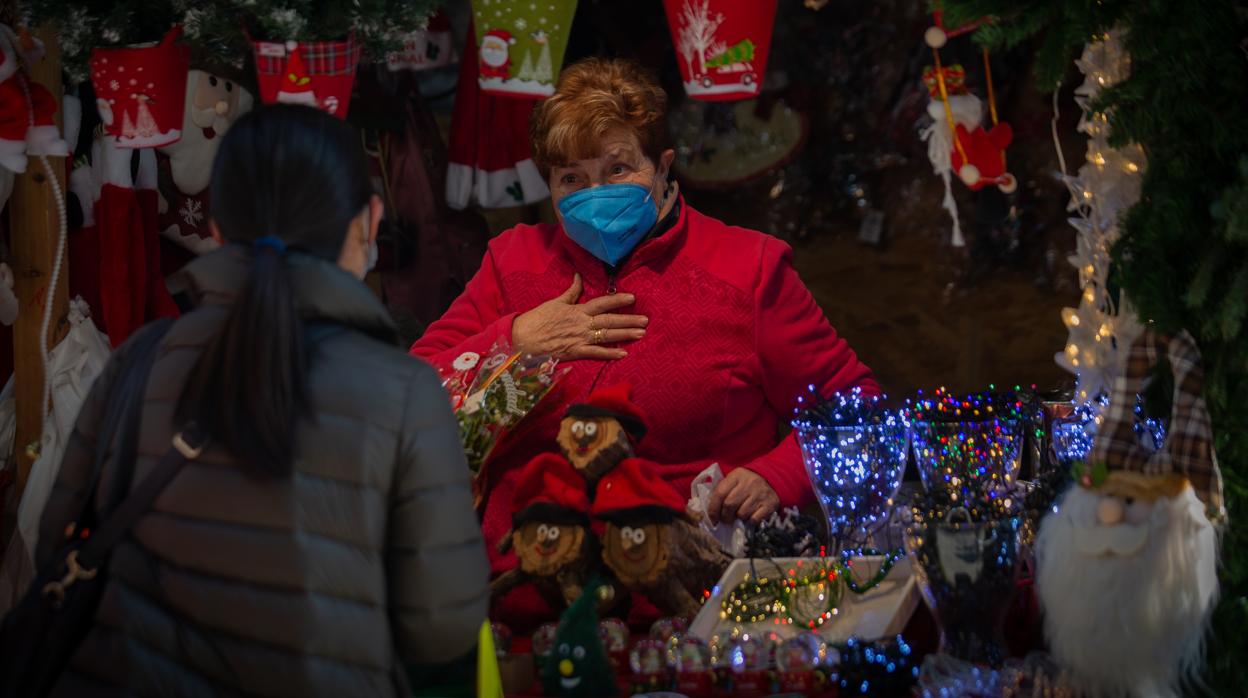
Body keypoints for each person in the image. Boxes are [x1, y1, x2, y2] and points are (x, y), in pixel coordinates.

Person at [36, 105, 489, 696]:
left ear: (219, 229)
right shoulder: (403, 390)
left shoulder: (142, 357)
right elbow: (443, 627)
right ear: (368, 222)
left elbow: (58, 541)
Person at [411, 58, 879, 629]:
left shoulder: (748, 269)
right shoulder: (512, 264)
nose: (595, 193)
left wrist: (778, 475)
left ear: (662, 167)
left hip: (691, 607)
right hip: (522, 606)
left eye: (617, 169)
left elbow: (860, 409)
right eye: (571, 179)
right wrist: (512, 338)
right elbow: (411, 392)